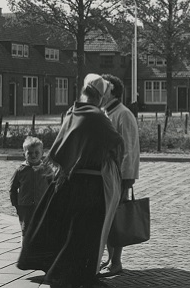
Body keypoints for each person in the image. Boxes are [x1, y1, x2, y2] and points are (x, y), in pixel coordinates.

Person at [17, 74, 123, 288]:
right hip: (92, 186)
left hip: (69, 182)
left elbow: (60, 149)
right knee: (87, 234)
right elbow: (117, 143)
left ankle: (66, 275)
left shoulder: (72, 112)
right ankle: (77, 277)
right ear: (100, 96)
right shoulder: (96, 117)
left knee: (68, 231)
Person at [99, 74, 141, 278]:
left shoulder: (123, 115)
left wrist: (127, 180)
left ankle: (116, 261)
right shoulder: (105, 113)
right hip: (106, 176)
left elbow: (130, 149)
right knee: (107, 218)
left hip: (118, 177)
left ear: (112, 90)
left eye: (103, 88)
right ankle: (109, 258)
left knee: (117, 219)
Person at [10, 136, 51, 234]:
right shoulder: (20, 170)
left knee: (42, 228)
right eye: (30, 153)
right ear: (24, 154)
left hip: (42, 205)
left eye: (37, 152)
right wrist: (16, 204)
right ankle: (25, 246)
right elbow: (13, 188)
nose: (33, 155)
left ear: (42, 153)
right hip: (25, 206)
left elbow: (52, 186)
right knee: (26, 229)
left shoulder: (46, 169)